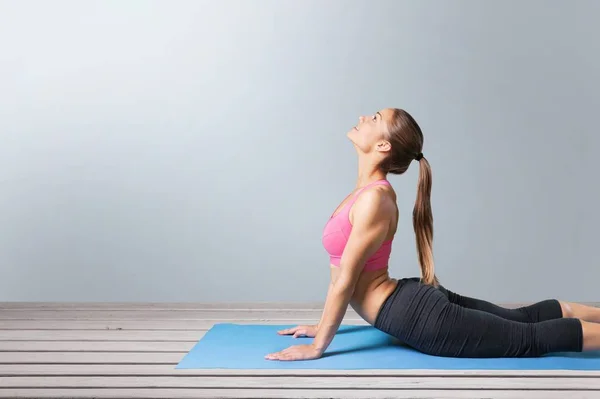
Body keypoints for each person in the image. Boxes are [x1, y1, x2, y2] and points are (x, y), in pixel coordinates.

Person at [265, 108, 600, 361]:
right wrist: (323, 324)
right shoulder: (364, 194)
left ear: (382, 145)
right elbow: (339, 273)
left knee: (530, 339)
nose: (363, 116)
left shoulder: (374, 200)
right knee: (522, 320)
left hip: (416, 316)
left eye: (375, 117)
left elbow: (346, 280)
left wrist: (318, 345)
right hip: (410, 301)